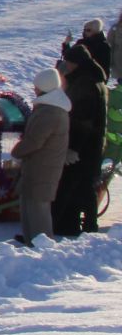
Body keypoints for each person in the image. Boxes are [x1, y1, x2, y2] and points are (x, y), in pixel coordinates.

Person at [12, 68, 71, 245]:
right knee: (31, 206)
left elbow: (34, 141)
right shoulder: (51, 108)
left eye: (36, 86)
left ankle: (42, 247)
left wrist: (17, 151)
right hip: (41, 166)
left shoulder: (49, 111)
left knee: (38, 210)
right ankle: (33, 242)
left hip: (42, 167)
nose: (34, 89)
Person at [55, 42, 107, 238]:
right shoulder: (93, 78)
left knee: (77, 185)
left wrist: (74, 148)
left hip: (84, 145)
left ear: (76, 63)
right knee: (85, 186)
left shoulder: (85, 83)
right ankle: (84, 226)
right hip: (91, 144)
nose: (65, 65)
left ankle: (76, 226)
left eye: (68, 62)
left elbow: (82, 120)